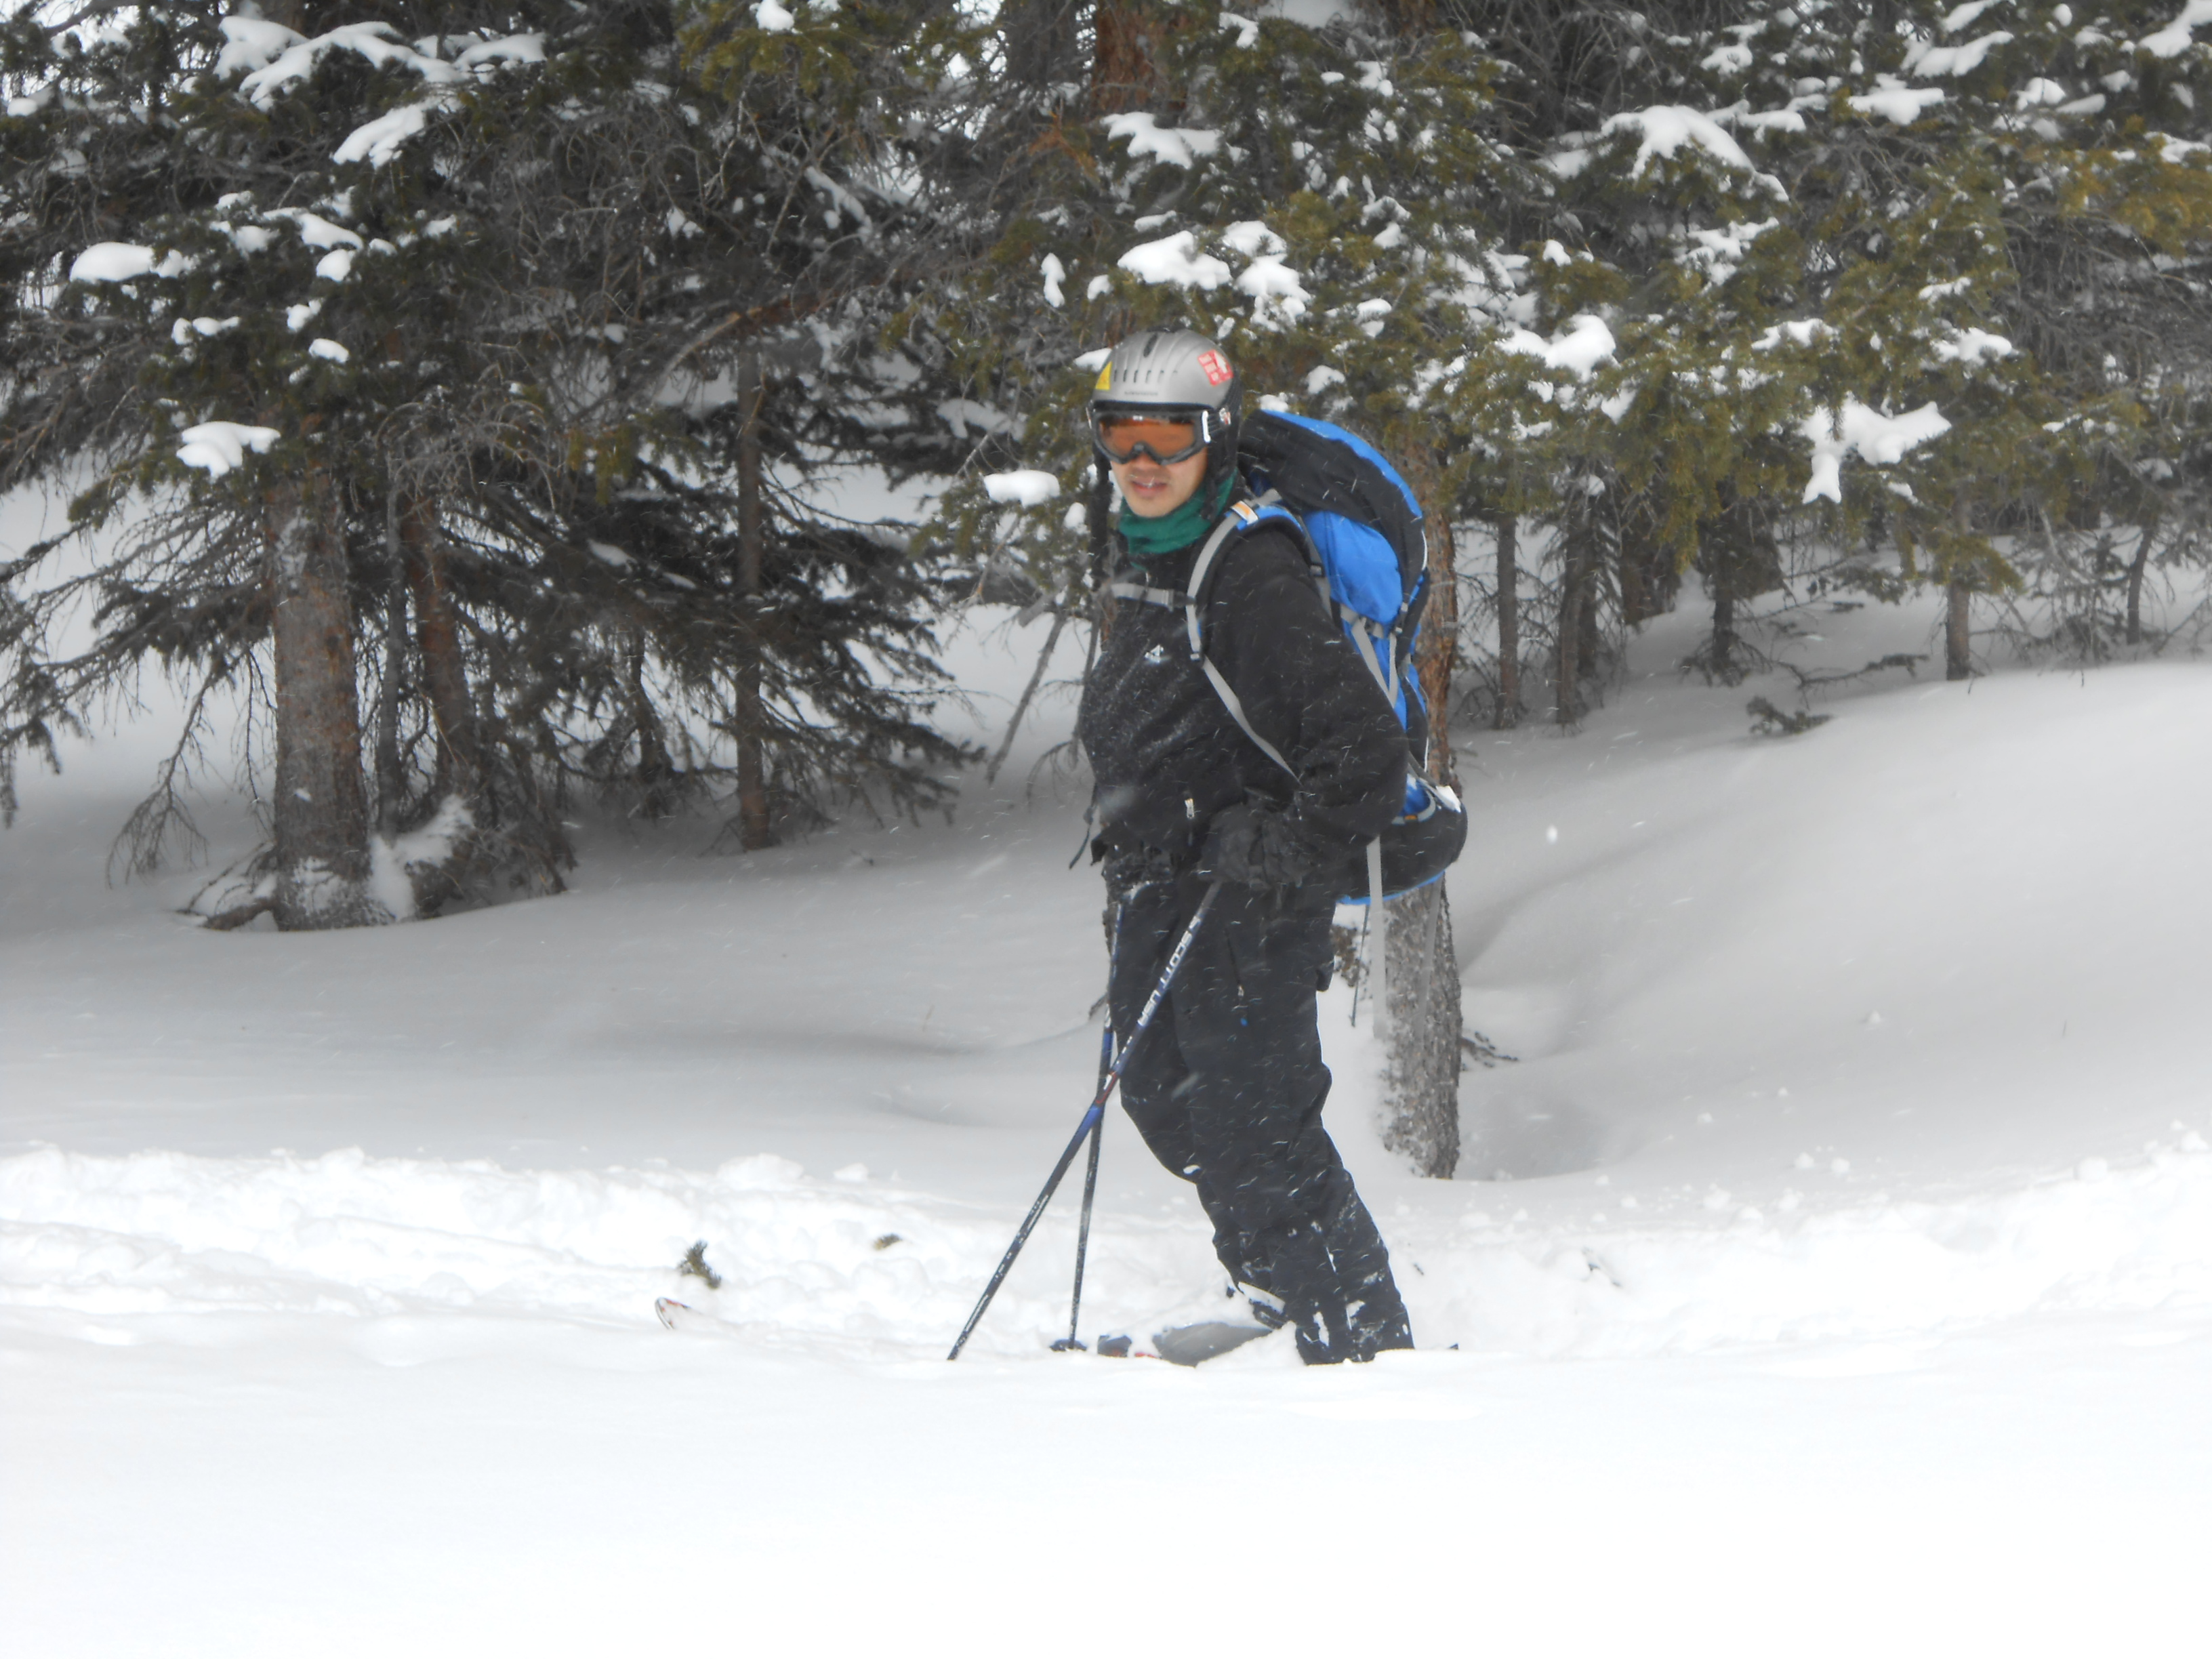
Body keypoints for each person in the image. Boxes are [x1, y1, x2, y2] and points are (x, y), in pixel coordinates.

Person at [1076, 325, 1416, 1364]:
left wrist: (1284, 840)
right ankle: (1282, 1288)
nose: (1142, 462)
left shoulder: (1252, 570)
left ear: (1214, 437)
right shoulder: (1149, 544)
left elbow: (1365, 752)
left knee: (1254, 1122)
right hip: (1161, 879)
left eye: (1168, 438)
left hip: (1247, 898)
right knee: (1165, 1095)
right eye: (1121, 436)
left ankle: (1351, 1340)